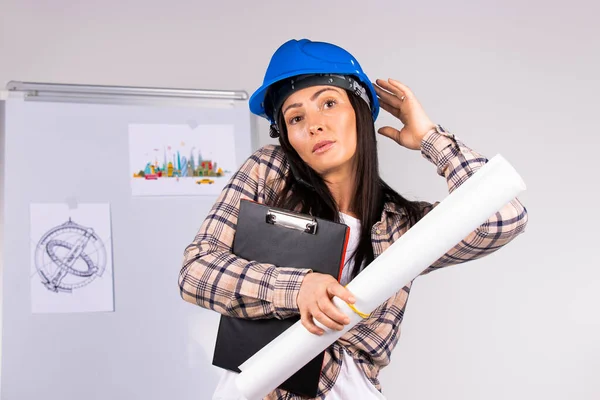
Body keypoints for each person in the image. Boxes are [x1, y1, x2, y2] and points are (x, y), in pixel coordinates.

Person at [178, 38, 528, 400]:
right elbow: (197, 271)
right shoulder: (271, 172)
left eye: (329, 103)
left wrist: (429, 138)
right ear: (286, 136)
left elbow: (503, 216)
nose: (314, 125)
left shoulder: (400, 225)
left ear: (359, 111)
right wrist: (298, 288)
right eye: (296, 117)